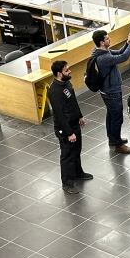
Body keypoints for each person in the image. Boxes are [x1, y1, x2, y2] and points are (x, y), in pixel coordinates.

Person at [47, 60, 93, 195]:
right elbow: (59, 115)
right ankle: (67, 183)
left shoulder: (67, 83)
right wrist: (68, 133)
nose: (70, 71)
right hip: (65, 128)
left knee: (76, 150)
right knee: (67, 155)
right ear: (59, 73)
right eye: (66, 70)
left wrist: (79, 116)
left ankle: (78, 172)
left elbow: (73, 101)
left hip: (74, 123)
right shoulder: (54, 91)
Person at [90, 29, 130, 154]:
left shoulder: (100, 51)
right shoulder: (104, 57)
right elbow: (123, 57)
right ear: (101, 42)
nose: (109, 39)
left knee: (111, 115)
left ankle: (113, 139)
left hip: (107, 90)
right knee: (117, 117)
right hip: (111, 91)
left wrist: (127, 42)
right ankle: (118, 145)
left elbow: (120, 52)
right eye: (107, 38)